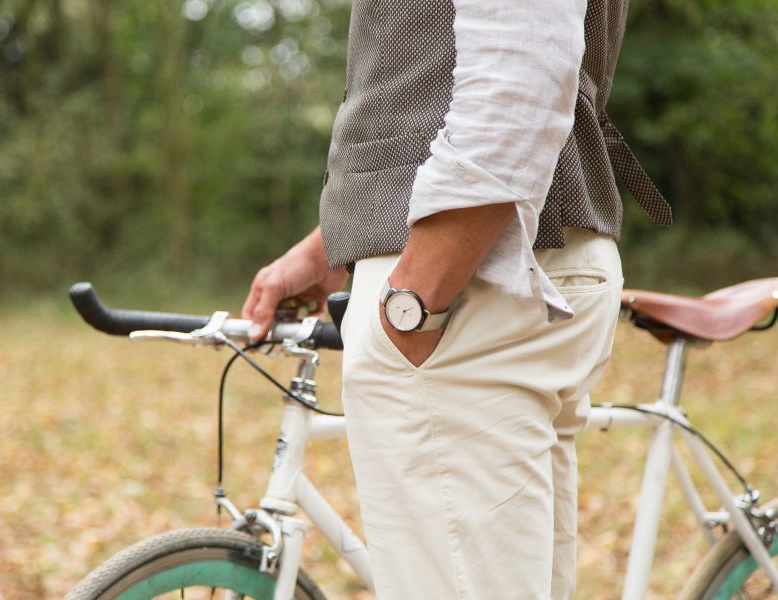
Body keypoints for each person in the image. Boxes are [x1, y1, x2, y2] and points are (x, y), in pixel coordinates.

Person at [242, 1, 671, 598]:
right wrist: (336, 244)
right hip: (512, 274)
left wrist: (414, 302)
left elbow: (521, 76)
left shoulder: (428, 306)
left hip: (470, 294)